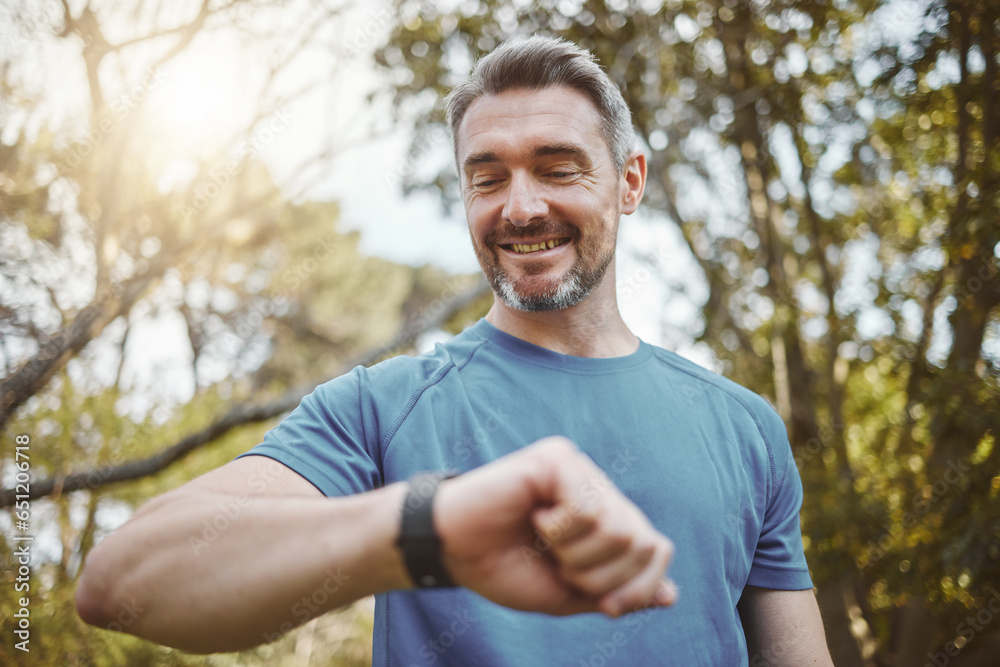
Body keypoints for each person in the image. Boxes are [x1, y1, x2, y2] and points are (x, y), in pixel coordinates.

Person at [76, 36, 834, 665]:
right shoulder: (378, 406)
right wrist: (426, 529)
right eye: (487, 177)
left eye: (558, 166)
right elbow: (123, 583)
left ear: (629, 180)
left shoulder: (746, 428)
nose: (521, 206)